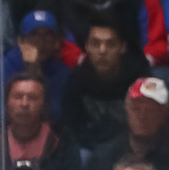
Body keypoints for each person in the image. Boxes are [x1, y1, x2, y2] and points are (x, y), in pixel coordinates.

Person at [62, 21, 149, 149]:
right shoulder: (76, 80)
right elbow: (72, 128)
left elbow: (148, 125)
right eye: (96, 44)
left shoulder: (140, 78)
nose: (102, 51)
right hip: (91, 148)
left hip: (132, 147)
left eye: (110, 44)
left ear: (122, 47)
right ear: (86, 46)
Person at [3, 70, 85, 170]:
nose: (24, 104)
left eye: (32, 98)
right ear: (6, 103)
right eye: (18, 97)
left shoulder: (63, 143)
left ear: (44, 105)